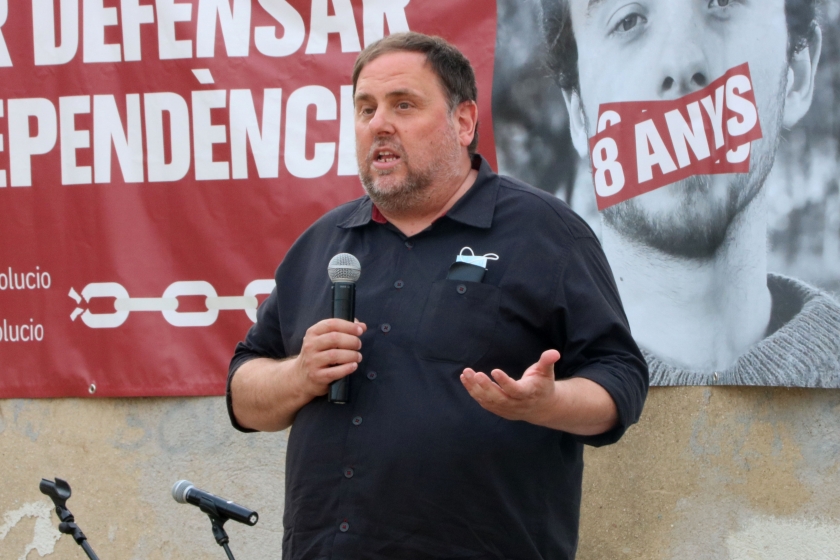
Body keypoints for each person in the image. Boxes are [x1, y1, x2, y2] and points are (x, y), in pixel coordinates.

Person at [227, 32, 648, 560]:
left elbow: (622, 379)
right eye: (365, 108)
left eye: (403, 105)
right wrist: (298, 374)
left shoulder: (545, 234)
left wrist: (549, 403)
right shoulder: (322, 246)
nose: (379, 123)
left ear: (464, 121)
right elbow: (244, 396)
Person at [541, 0, 840, 386]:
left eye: (722, 2)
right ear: (580, 114)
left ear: (796, 73)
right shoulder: (488, 400)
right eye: (628, 20)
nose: (681, 62)